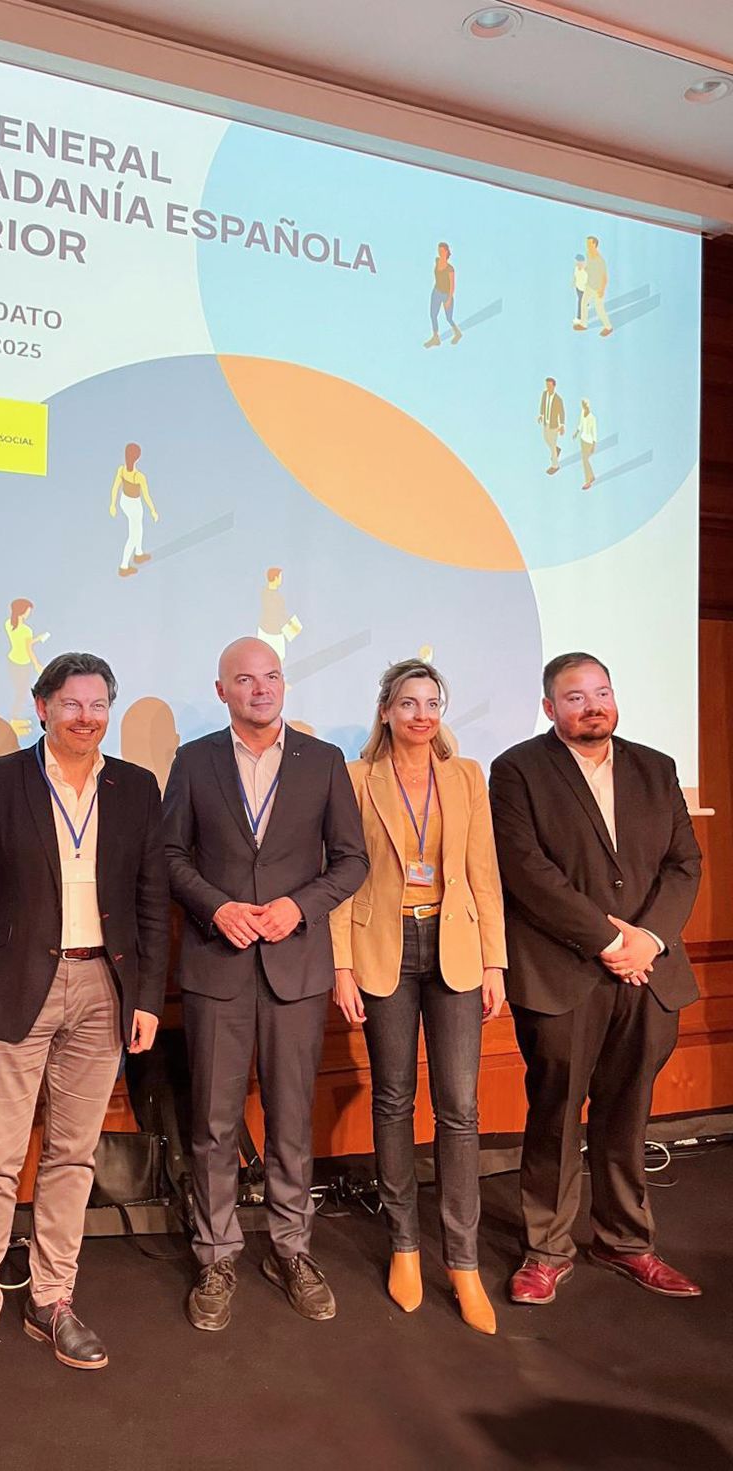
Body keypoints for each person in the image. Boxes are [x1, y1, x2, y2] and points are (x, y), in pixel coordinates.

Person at [0, 652, 169, 1399]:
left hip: (104, 988)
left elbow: (150, 898)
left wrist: (145, 996)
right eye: (72, 703)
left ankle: (51, 1298)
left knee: (73, 1157)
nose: (86, 717)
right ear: (42, 707)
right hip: (14, 990)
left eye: (98, 704)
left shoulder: (135, 786)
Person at [163, 637, 368, 1331]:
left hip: (296, 967)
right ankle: (216, 1255)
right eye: (245, 679)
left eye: (272, 676)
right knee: (213, 1123)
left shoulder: (324, 760)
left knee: (290, 1120)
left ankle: (291, 1249)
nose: (261, 689)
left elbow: (352, 861)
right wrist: (216, 907)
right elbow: (169, 855)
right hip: (215, 962)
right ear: (221, 691)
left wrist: (300, 907)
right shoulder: (193, 761)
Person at [490, 653, 702, 1306]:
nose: (592, 706)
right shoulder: (517, 770)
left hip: (649, 973)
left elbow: (684, 863)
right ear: (549, 708)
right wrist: (609, 941)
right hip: (563, 974)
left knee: (628, 1111)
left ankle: (625, 1240)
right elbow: (526, 871)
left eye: (601, 692)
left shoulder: (656, 767)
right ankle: (547, 1250)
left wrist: (648, 939)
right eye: (575, 697)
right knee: (555, 1113)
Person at [330, 660, 506, 1335]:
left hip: (455, 945)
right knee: (394, 1098)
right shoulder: (355, 778)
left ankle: (463, 1261)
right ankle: (405, 1244)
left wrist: (494, 960)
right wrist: (341, 964)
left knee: (460, 1107)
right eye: (408, 703)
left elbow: (484, 871)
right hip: (384, 948)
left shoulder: (466, 776)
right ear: (386, 710)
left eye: (432, 703)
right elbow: (340, 876)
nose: (421, 715)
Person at [109, 441, 159, 577]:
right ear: (138, 458)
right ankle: (124, 566)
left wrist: (113, 504)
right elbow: (146, 496)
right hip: (134, 505)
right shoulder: (139, 477)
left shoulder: (121, 470)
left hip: (124, 501)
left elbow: (115, 488)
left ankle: (138, 553)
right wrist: (153, 510)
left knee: (139, 527)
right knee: (133, 535)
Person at [5, 599, 46, 725]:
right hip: (23, 664)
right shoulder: (26, 630)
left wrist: (36, 639)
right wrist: (37, 664)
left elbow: (21, 642)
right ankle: (14, 719)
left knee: (19, 691)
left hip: (12, 660)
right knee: (22, 692)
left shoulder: (8, 624)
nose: (29, 614)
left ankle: (14, 718)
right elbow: (28, 649)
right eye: (28, 611)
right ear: (22, 612)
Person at [256, 567, 303, 660]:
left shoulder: (264, 592)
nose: (281, 580)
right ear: (276, 578)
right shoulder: (276, 597)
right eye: (280, 577)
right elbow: (281, 614)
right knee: (278, 658)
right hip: (274, 633)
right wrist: (293, 626)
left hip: (264, 630)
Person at [424, 242, 461, 348]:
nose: (439, 253)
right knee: (433, 315)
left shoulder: (450, 269)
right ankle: (435, 338)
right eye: (438, 250)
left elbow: (452, 285)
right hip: (436, 292)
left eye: (442, 251)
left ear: (446, 252)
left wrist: (449, 299)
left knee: (449, 318)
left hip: (446, 294)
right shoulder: (437, 261)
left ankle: (457, 333)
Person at [577, 236, 613, 336]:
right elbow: (589, 267)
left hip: (597, 288)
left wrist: (602, 290)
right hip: (589, 286)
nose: (587, 245)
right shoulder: (588, 254)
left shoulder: (600, 260)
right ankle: (583, 324)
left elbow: (605, 277)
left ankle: (608, 327)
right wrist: (584, 268)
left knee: (599, 309)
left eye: (589, 244)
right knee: (583, 304)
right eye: (587, 243)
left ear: (594, 245)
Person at [538, 378, 565, 475]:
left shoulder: (558, 399)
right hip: (546, 423)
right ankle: (556, 449)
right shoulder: (544, 394)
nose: (548, 387)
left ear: (554, 386)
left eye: (549, 386)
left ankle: (555, 466)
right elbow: (542, 405)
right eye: (547, 385)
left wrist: (562, 425)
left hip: (554, 425)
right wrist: (541, 415)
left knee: (552, 445)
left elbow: (561, 412)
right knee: (546, 438)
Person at [574, 399, 598, 490]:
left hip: (589, 442)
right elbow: (580, 424)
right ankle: (591, 476)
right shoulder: (582, 413)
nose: (584, 407)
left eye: (585, 405)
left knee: (585, 460)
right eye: (583, 405)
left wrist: (594, 445)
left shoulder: (592, 418)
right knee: (585, 460)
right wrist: (576, 433)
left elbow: (594, 433)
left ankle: (588, 481)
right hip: (582, 440)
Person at [571, 253, 587, 327]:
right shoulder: (576, 268)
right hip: (578, 288)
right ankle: (586, 304)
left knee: (580, 303)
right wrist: (574, 282)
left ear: (582, 262)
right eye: (576, 262)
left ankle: (579, 318)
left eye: (578, 262)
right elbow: (575, 276)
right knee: (581, 300)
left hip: (585, 290)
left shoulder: (586, 270)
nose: (576, 264)